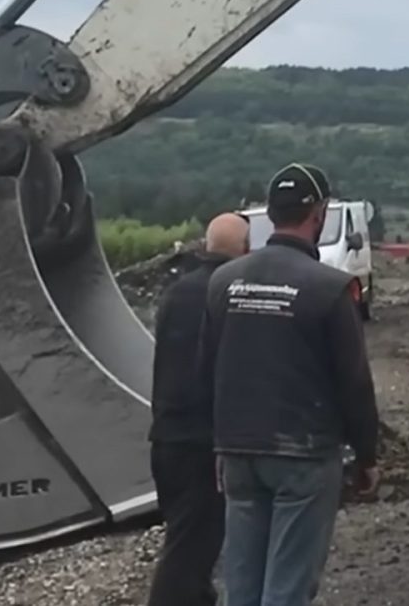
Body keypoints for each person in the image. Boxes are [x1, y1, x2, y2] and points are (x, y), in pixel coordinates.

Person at [200, 164, 380, 606]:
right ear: (317, 214)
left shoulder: (223, 282)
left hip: (238, 451)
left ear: (271, 215)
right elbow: (353, 380)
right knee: (288, 586)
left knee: (242, 582)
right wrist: (368, 454)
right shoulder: (332, 288)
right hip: (304, 452)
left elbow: (207, 370)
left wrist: (219, 443)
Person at [145, 211, 250, 606]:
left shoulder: (177, 291)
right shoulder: (228, 293)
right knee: (188, 557)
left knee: (191, 547)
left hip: (166, 439)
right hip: (201, 443)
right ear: (245, 248)